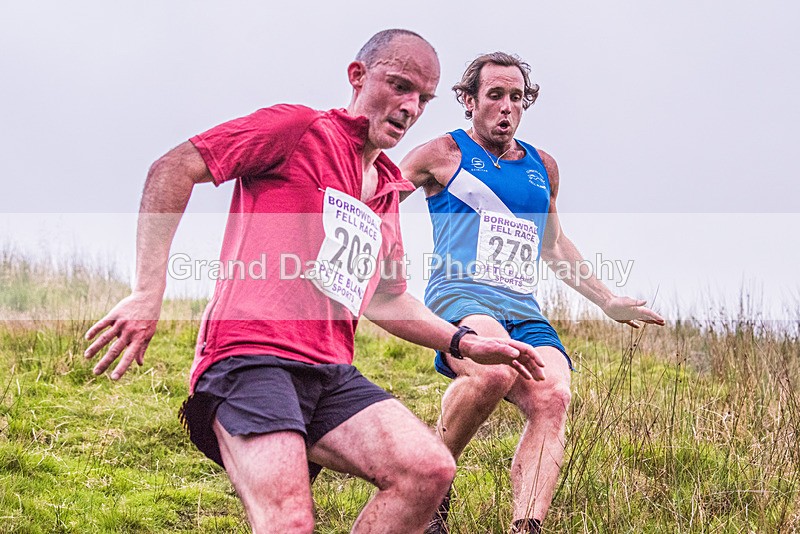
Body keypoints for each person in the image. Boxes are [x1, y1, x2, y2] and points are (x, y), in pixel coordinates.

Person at [82, 33, 548, 534]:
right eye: (399, 85)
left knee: (428, 469)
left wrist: (465, 342)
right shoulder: (299, 129)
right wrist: (148, 292)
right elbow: (174, 168)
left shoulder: (388, 190)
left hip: (328, 375)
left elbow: (387, 300)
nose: (410, 106)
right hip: (249, 360)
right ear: (357, 77)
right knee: (289, 521)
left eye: (423, 98)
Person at [400, 52, 666, 533]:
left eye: (516, 97)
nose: (507, 106)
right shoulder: (442, 153)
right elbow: (377, 198)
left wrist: (607, 300)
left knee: (553, 396)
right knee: (493, 371)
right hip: (459, 294)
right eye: (495, 95)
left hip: (522, 305)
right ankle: (432, 480)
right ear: (468, 99)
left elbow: (555, 245)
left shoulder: (543, 166)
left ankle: (527, 527)